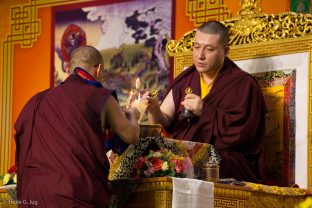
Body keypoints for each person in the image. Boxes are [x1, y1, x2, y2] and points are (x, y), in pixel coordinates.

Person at [14, 46, 140, 207]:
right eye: (103, 74)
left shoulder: (36, 100)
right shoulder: (100, 96)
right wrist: (132, 114)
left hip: (35, 196)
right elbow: (131, 135)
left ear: (69, 68)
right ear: (99, 69)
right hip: (74, 193)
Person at [144, 21, 267, 183]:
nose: (200, 55)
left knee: (197, 164)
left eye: (209, 49)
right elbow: (163, 122)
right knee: (146, 160)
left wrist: (204, 110)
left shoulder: (243, 84)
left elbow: (244, 135)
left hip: (225, 159)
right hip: (183, 153)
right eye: (196, 47)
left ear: (225, 51)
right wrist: (153, 110)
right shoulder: (186, 79)